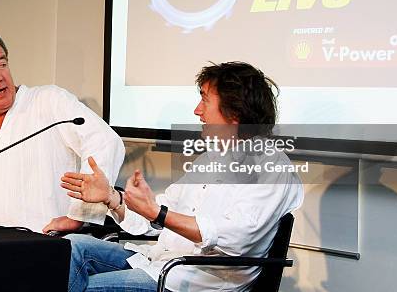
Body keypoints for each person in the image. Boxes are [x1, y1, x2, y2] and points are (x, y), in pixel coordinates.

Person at [61, 62, 304, 292]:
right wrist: (113, 198)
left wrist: (158, 214)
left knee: (81, 287)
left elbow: (237, 238)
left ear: (234, 113)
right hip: (159, 263)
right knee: (67, 247)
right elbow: (158, 215)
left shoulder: (271, 166)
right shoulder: (210, 159)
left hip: (195, 281)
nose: (197, 111)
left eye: (205, 100)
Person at [0, 28, 125, 234]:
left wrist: (79, 215)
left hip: (43, 241)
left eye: (2, 64)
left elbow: (105, 141)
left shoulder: (49, 100)